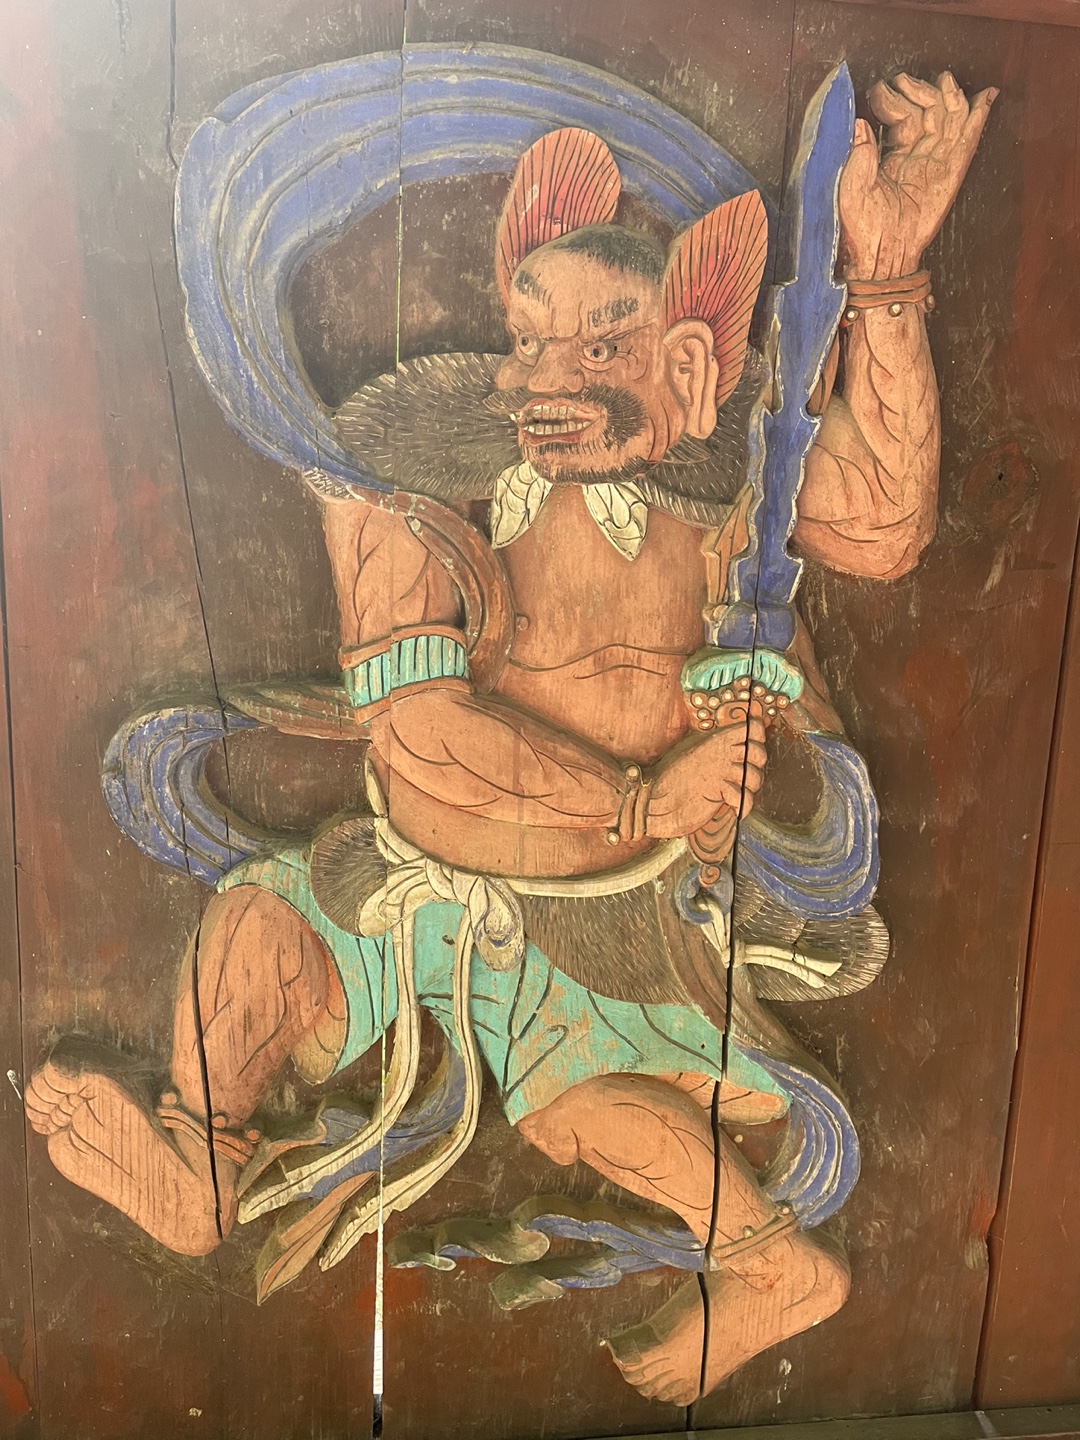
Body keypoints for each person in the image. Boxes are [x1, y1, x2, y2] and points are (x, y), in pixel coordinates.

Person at [26, 71, 994, 1403]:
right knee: (261, 923)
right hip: (427, 866)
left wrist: (883, 279)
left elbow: (882, 524)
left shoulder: (727, 487)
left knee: (579, 1106)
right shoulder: (409, 482)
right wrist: (642, 796)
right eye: (529, 336)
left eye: (601, 344)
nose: (545, 376)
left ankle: (771, 1262)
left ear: (691, 359)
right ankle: (198, 1155)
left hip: (609, 914)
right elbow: (417, 729)